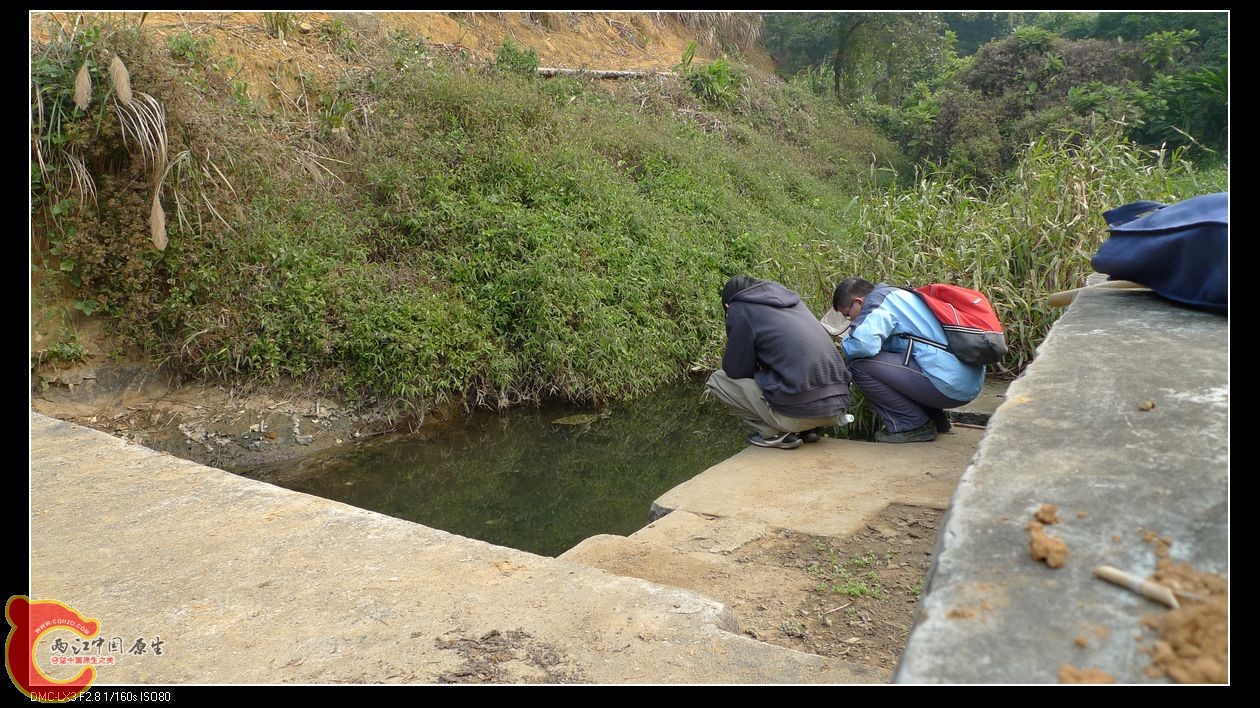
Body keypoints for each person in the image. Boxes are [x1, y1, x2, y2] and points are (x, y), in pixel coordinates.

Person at [706, 275, 851, 450]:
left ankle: (775, 434)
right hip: (838, 408)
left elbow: (735, 371)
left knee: (718, 380)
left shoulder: (739, 308)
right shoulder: (795, 302)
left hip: (802, 414)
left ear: (728, 304)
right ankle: (808, 431)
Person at [832, 277, 984, 443]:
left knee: (857, 365)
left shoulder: (877, 302)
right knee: (899, 356)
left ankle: (911, 425)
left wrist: (845, 342)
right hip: (967, 381)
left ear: (858, 302)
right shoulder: (900, 294)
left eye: (848, 315)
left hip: (950, 385)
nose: (851, 321)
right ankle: (934, 417)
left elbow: (863, 345)